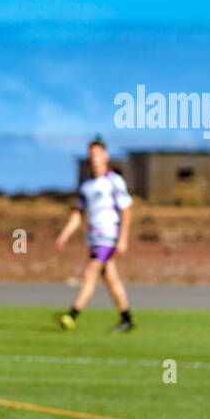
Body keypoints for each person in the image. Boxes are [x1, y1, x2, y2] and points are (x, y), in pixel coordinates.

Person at [54, 139, 135, 332]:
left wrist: (123, 239)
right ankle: (127, 319)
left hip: (109, 236)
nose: (94, 159)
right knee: (110, 278)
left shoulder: (114, 181)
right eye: (91, 155)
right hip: (94, 238)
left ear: (105, 156)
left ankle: (72, 315)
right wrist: (64, 235)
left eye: (97, 155)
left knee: (90, 272)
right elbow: (78, 214)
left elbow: (127, 209)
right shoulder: (87, 186)